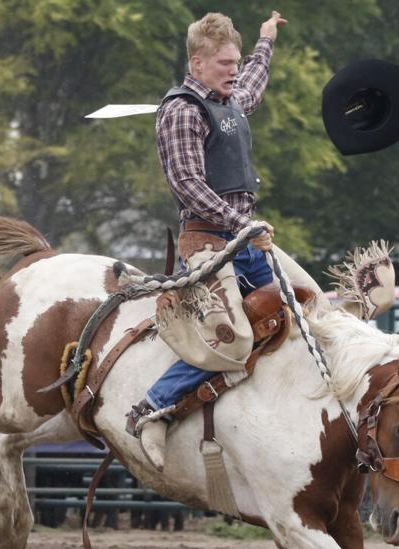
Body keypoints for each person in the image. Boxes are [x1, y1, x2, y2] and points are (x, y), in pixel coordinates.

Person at [126, 11, 288, 470]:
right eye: (224, 63)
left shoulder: (228, 100)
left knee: (296, 309)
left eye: (235, 62)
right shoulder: (181, 111)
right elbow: (187, 184)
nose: (234, 71)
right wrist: (241, 223)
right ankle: (152, 408)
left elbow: (252, 84)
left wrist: (266, 40)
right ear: (197, 64)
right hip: (208, 243)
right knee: (227, 336)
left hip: (242, 238)